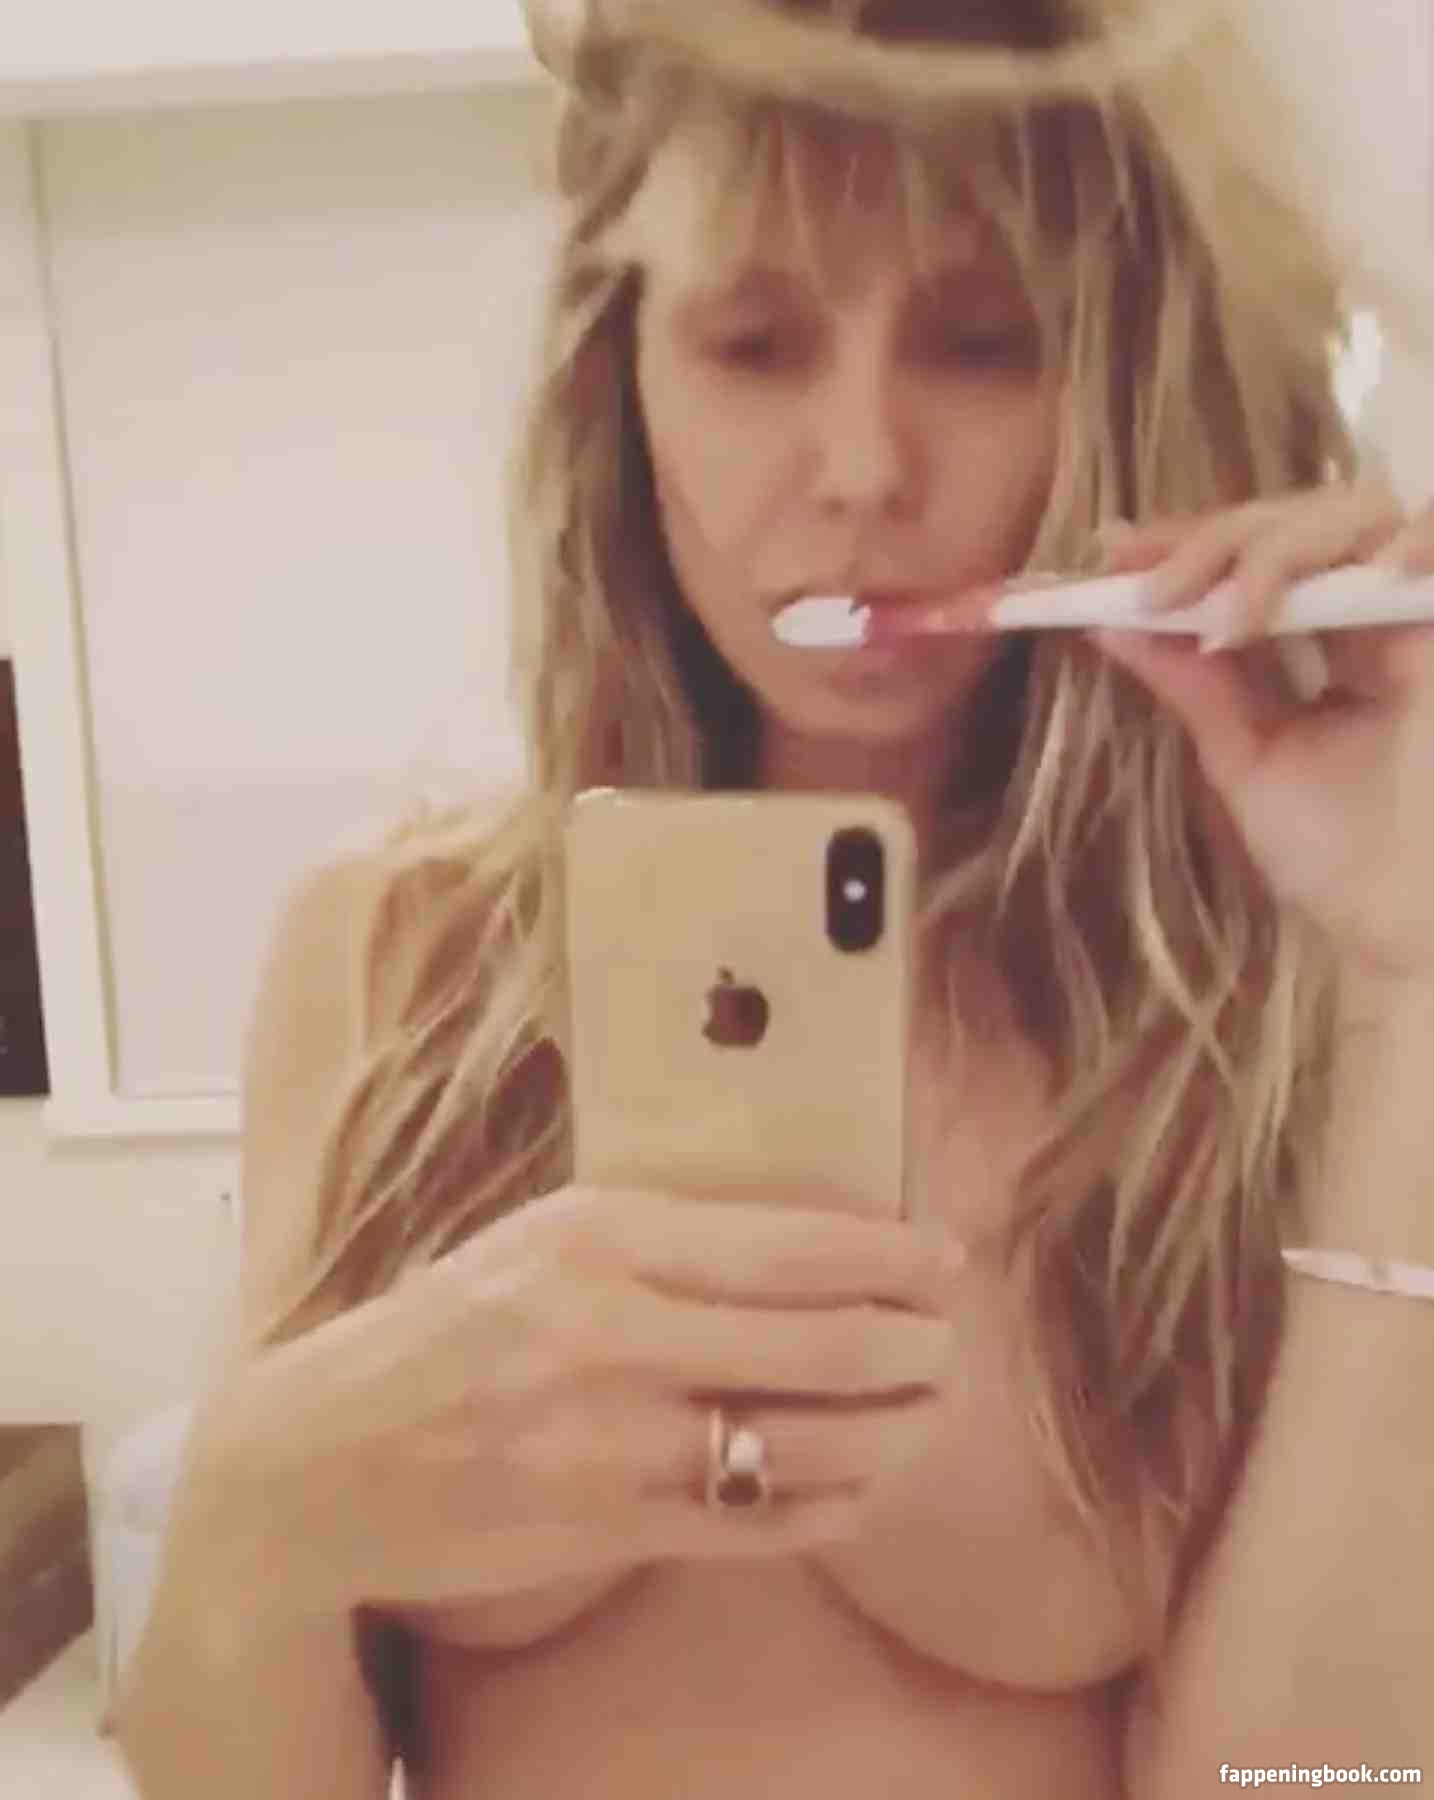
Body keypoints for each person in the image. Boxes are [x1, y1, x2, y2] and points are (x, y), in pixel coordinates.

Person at [111, 1, 1434, 1796]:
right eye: (751, 343)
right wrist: (265, 1504)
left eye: (982, 343)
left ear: (1108, 387)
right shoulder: (396, 959)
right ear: (622, 379)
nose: (864, 464)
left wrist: (1409, 970)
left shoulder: (1269, 1008)